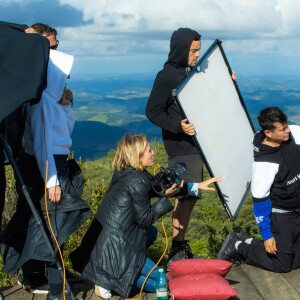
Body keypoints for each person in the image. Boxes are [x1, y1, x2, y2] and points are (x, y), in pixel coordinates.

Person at [70, 134, 220, 299]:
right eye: (149, 150)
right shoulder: (137, 181)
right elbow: (145, 219)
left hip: (109, 242)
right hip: (118, 249)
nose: (153, 152)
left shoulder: (128, 172)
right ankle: (108, 279)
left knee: (152, 233)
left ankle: (113, 275)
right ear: (138, 156)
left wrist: (196, 186)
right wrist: (166, 199)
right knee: (163, 282)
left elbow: (156, 187)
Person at [1, 23, 90, 300]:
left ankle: (48, 274)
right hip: (46, 164)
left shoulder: (49, 97)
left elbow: (60, 131)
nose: (53, 53)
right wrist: (51, 179)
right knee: (51, 221)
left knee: (43, 219)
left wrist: (65, 104)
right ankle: (49, 279)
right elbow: (40, 143)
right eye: (49, 47)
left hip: (52, 161)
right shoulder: (37, 100)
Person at [146, 27, 235, 265]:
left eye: (198, 50)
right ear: (181, 50)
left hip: (198, 145)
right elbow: (153, 111)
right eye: (193, 50)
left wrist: (227, 83)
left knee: (190, 196)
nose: (197, 55)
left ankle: (179, 246)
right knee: (185, 195)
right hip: (181, 147)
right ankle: (177, 249)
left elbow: (207, 98)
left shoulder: (189, 72)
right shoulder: (166, 76)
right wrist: (178, 126)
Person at [218, 106, 300, 273]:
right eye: (283, 129)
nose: (287, 131)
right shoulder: (265, 164)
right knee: (282, 265)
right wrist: (267, 234)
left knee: (296, 262)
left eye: (286, 126)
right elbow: (260, 202)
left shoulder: (292, 135)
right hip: (281, 215)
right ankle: (239, 245)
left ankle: (247, 240)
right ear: (269, 133)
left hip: (297, 210)